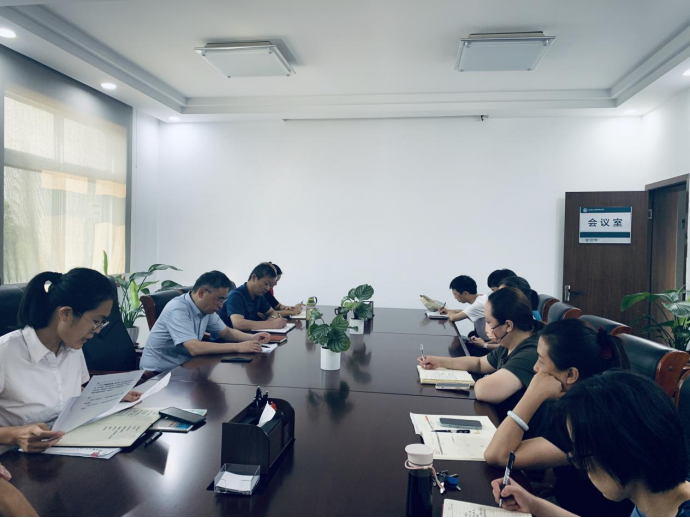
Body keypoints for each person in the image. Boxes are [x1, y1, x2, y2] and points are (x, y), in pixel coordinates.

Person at [484, 319, 632, 517]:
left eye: (540, 360)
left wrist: (532, 395)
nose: (535, 368)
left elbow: (497, 455)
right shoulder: (578, 406)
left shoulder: (589, 420)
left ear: (570, 374)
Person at [491, 371, 690, 518]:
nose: (582, 467)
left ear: (623, 453)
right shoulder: (656, 501)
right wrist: (533, 504)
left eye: (582, 457)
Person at [0, 268, 141, 454]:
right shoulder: (5, 352)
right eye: (96, 321)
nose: (98, 330)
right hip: (15, 458)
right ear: (66, 313)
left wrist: (111, 395)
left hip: (64, 447)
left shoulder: (73, 347)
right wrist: (15, 435)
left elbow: (71, 390)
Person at [419, 288, 542, 410]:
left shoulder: (531, 353)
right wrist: (440, 361)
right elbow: (480, 363)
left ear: (508, 325)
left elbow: (485, 391)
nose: (486, 327)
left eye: (489, 322)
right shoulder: (510, 342)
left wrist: (484, 380)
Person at [140, 271, 270, 373]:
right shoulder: (178, 309)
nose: (221, 305)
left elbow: (226, 332)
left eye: (223, 300)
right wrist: (238, 347)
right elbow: (194, 347)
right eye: (219, 299)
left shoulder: (205, 308)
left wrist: (252, 338)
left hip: (185, 365)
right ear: (202, 293)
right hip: (158, 373)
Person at [219, 263, 289, 331]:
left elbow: (272, 312)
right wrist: (270, 324)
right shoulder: (236, 295)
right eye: (266, 283)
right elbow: (238, 324)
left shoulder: (259, 295)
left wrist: (272, 318)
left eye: (270, 285)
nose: (268, 288)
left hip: (248, 335)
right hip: (227, 338)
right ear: (254, 277)